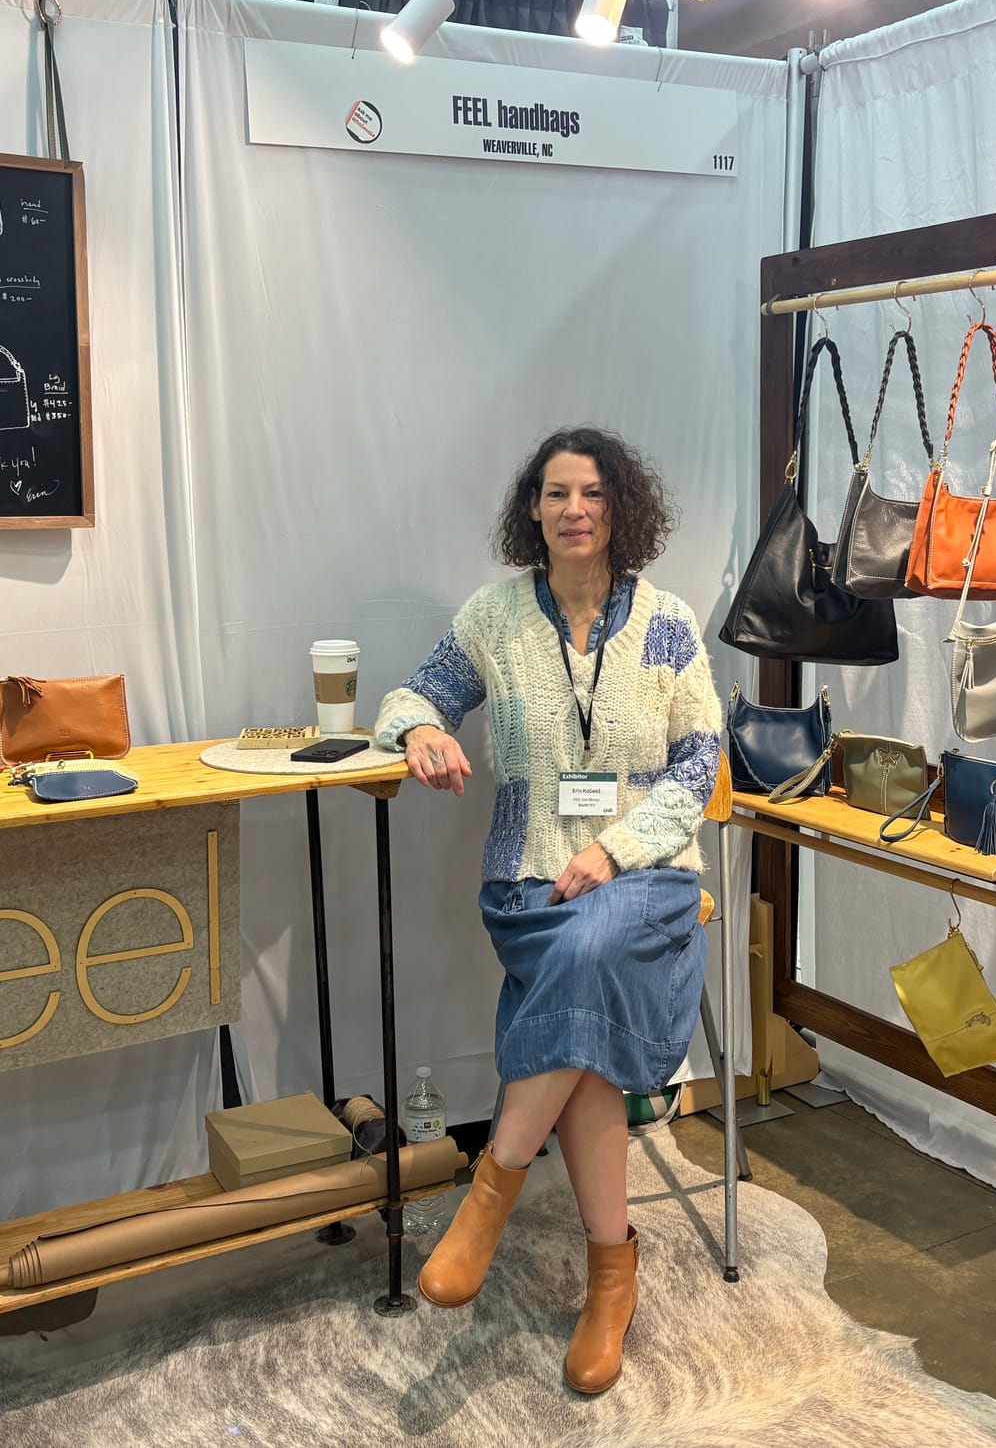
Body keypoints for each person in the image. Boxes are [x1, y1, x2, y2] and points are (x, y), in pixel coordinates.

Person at [374, 426, 722, 1395]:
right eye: (558, 493)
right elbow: (410, 693)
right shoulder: (494, 618)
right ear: (532, 507)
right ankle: (612, 1278)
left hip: (645, 871)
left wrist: (614, 849)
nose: (575, 510)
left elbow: (700, 761)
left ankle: (492, 1190)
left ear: (620, 508)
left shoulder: (667, 623)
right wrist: (420, 728)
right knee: (587, 1034)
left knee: (593, 955)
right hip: (529, 881)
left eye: (593, 493)